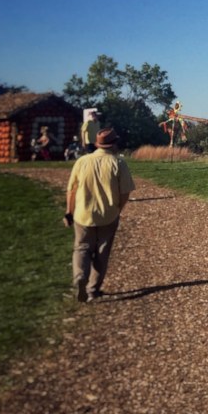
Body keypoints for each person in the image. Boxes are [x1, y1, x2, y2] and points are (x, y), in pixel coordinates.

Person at [64, 127, 135, 303]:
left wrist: (69, 212)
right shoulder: (118, 163)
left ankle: (80, 276)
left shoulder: (82, 162)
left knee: (82, 248)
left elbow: (71, 190)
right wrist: (119, 208)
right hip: (108, 215)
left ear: (98, 144)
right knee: (102, 253)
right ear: (114, 144)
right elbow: (125, 192)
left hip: (83, 214)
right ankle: (92, 289)